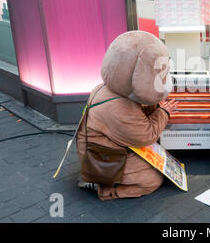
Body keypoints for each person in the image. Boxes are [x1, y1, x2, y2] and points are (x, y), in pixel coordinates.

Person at [76, 31, 179, 200]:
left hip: (109, 146)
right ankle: (104, 188)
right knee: (152, 179)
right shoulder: (119, 108)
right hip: (104, 159)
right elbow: (145, 135)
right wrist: (163, 112)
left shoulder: (109, 88)